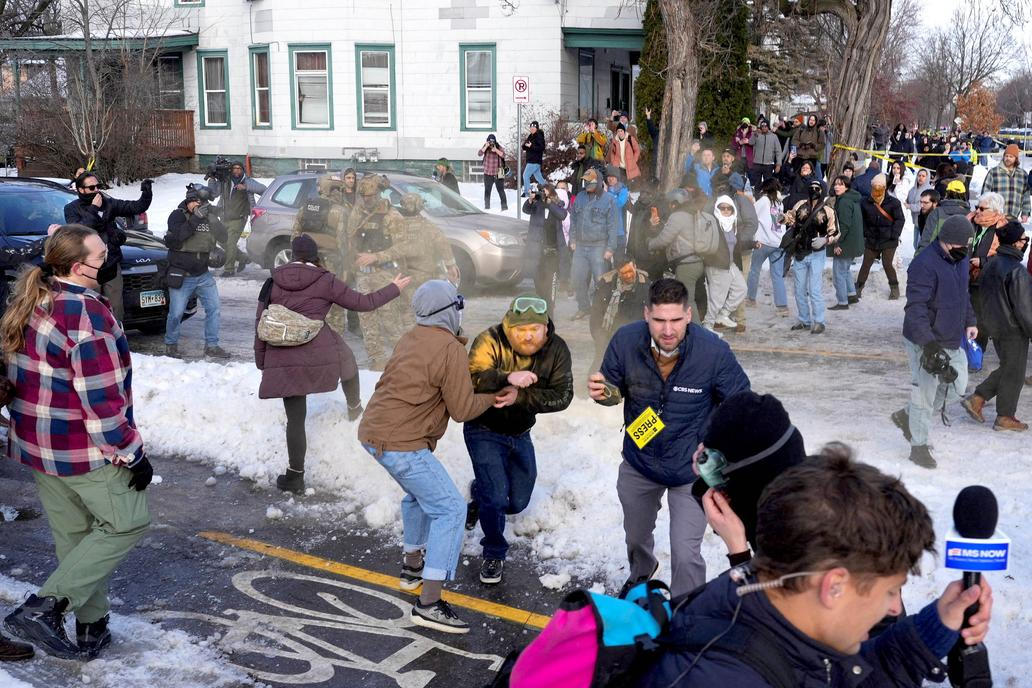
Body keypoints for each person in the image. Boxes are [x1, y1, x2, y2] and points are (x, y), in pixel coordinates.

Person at [643, 447, 994, 688]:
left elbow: (839, 678)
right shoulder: (726, 677)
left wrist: (936, 627)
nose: (892, 607)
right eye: (889, 590)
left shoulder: (760, 603)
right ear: (834, 586)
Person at [0, 225, 151, 659]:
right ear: (75, 265)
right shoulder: (86, 313)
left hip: (37, 444)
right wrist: (131, 453)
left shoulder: (36, 298)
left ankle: (91, 626)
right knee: (126, 522)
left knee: (76, 537)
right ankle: (43, 610)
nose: (107, 262)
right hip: (80, 449)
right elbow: (101, 398)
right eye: (101, 257)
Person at [358, 280, 515, 633]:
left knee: (419, 495)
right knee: (451, 509)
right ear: (450, 310)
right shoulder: (448, 347)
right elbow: (461, 409)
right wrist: (495, 397)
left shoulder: (411, 336)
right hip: (402, 443)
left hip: (373, 435)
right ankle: (429, 602)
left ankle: (412, 566)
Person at [588, 278, 750, 597]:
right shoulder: (625, 340)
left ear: (688, 315)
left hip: (688, 470)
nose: (667, 330)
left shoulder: (712, 351)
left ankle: (685, 610)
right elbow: (612, 388)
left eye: (676, 320)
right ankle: (642, 570)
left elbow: (741, 402)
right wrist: (603, 393)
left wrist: (715, 444)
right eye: (659, 320)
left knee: (686, 553)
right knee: (635, 537)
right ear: (647, 314)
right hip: (639, 461)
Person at [258, 234, 408, 494]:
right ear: (316, 255)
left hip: (280, 349)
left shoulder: (273, 280)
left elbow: (260, 320)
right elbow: (363, 303)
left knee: (296, 418)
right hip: (315, 345)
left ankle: (295, 476)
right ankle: (354, 408)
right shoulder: (324, 279)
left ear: (293, 255)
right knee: (346, 358)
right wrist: (393, 288)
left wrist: (263, 360)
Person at [464, 295, 573, 585]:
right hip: (483, 428)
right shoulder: (489, 339)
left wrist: (521, 396)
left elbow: (563, 395)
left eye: (534, 329)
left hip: (520, 432)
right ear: (508, 327)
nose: (527, 335)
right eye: (520, 329)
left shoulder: (557, 349)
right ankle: (494, 551)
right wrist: (507, 377)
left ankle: (480, 495)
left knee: (517, 502)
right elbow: (470, 377)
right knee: (497, 495)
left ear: (546, 329)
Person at [893, 215, 977, 468]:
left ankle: (907, 416)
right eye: (963, 245)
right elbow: (916, 308)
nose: (967, 250)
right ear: (949, 242)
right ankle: (918, 446)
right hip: (925, 339)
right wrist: (928, 345)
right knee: (924, 394)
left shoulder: (959, 260)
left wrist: (970, 321)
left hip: (952, 336)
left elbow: (964, 294)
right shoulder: (924, 264)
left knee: (957, 386)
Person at [690, 391, 807, 566]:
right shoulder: (817, 489)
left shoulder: (797, 546)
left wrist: (738, 552)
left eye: (718, 471)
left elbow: (768, 590)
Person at [963, 222, 1032, 432]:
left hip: (994, 325)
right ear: (1016, 243)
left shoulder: (992, 263)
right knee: (1015, 372)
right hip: (1013, 329)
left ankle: (978, 398)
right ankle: (1004, 416)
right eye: (1023, 239)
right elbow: (1024, 308)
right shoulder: (1016, 271)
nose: (1025, 243)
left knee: (1010, 367)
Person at [345, 174, 414, 370]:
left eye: (370, 196)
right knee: (366, 319)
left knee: (389, 318)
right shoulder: (357, 214)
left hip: (385, 273)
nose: (366, 200)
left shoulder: (393, 216)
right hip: (363, 273)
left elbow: (404, 247)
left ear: (378, 194)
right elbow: (350, 238)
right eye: (363, 196)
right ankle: (377, 358)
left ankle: (403, 358)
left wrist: (377, 257)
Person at [63, 172, 152, 320]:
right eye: (91, 187)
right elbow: (78, 231)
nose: (96, 190)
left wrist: (146, 193)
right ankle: (93, 339)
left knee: (115, 307)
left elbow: (136, 207)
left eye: (98, 186)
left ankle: (116, 337)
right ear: (81, 190)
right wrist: (93, 208)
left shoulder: (108, 203)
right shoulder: (71, 208)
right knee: (91, 306)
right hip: (87, 266)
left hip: (110, 263)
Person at [163, 187, 229, 359]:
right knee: (176, 313)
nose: (198, 205)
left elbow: (224, 238)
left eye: (201, 202)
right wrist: (195, 218)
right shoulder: (177, 215)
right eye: (194, 202)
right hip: (182, 274)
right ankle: (171, 344)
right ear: (188, 202)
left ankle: (212, 346)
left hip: (203, 274)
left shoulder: (208, 217)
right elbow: (178, 237)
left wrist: (214, 220)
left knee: (214, 309)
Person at [648, 189, 709, 322]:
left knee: (687, 301)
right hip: (697, 261)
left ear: (675, 203)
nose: (669, 206)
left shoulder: (678, 216)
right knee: (690, 299)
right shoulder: (693, 213)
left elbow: (664, 239)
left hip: (686, 264)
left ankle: (697, 334)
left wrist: (650, 244)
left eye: (670, 204)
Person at [569, 168, 620, 320]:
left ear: (598, 182)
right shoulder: (580, 196)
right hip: (580, 246)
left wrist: (611, 248)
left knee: (601, 280)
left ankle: (601, 309)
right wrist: (572, 239)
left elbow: (613, 225)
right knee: (578, 278)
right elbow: (573, 219)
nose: (587, 185)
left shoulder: (609, 199)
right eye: (585, 182)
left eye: (590, 182)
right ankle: (584, 307)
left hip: (599, 246)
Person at [785, 181, 836, 334]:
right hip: (800, 252)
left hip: (817, 254)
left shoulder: (828, 210)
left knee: (814, 289)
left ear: (822, 191)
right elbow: (791, 218)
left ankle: (819, 321)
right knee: (799, 289)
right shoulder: (800, 204)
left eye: (817, 188)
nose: (813, 190)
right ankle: (804, 320)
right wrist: (784, 218)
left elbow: (835, 231)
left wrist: (826, 240)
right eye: (811, 188)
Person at [589, 258, 650, 372]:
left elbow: (650, 315)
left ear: (635, 267)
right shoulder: (605, 284)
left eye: (630, 271)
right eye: (624, 273)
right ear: (617, 272)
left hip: (635, 334)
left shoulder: (645, 286)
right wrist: (598, 336)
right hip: (607, 332)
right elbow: (596, 314)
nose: (628, 275)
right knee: (600, 363)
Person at [206, 161, 266, 275]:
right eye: (234, 168)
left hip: (239, 218)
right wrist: (212, 180)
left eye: (239, 168)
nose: (237, 170)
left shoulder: (247, 181)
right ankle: (243, 258)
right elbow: (214, 194)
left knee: (230, 243)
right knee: (221, 241)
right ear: (231, 170)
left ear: (243, 170)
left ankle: (229, 270)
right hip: (224, 217)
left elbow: (263, 189)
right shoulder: (225, 182)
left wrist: (246, 187)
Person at [969, 192, 1009, 351]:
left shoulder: (1004, 229)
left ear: (994, 210)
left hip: (986, 279)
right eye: (976, 207)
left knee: (980, 317)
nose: (977, 211)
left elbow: (1007, 256)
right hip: (965, 276)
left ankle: (977, 350)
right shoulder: (971, 221)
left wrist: (983, 262)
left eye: (982, 208)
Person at [856, 174, 905, 300]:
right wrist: (865, 234)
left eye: (880, 186)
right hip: (872, 238)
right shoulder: (865, 202)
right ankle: (858, 288)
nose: (877, 189)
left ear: (884, 187)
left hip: (889, 239)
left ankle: (894, 288)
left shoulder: (893, 202)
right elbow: (862, 221)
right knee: (866, 264)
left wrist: (894, 234)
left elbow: (900, 219)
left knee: (887, 264)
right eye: (874, 186)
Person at [522, 184, 569, 311]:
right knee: (539, 283)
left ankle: (550, 310)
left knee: (550, 284)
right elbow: (526, 209)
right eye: (542, 192)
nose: (543, 194)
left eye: (546, 192)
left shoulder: (557, 204)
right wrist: (531, 200)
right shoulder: (536, 204)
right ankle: (541, 308)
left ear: (552, 193)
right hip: (538, 251)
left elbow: (562, 215)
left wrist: (550, 204)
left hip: (553, 252)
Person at [746, 179, 789, 316]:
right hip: (778, 242)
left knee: (754, 270)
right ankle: (782, 306)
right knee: (777, 275)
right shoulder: (780, 202)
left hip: (763, 242)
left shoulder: (764, 201)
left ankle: (751, 299)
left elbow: (751, 213)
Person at [398, 193, 459, 287]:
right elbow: (443, 245)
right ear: (419, 206)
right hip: (425, 278)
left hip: (401, 278)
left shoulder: (395, 226)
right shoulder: (428, 226)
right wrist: (451, 266)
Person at [828, 175, 863, 310]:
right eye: (835, 184)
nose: (837, 187)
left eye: (840, 184)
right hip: (853, 243)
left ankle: (842, 301)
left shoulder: (844, 202)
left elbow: (843, 226)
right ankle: (851, 295)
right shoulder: (852, 199)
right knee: (846, 270)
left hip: (846, 244)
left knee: (839, 273)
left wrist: (837, 243)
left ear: (847, 187)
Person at [730, 176, 758, 333]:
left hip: (741, 249)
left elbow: (752, 223)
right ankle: (727, 316)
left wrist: (740, 241)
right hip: (729, 248)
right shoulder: (732, 199)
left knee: (740, 282)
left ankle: (741, 320)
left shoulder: (743, 201)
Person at [982, 143, 1030, 222]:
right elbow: (985, 193)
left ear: (1016, 158)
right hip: (996, 216)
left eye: (1011, 157)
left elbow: (1026, 196)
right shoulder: (994, 172)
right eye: (1006, 156)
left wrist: (1025, 213)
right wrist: (985, 210)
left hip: (1013, 217)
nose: (1008, 158)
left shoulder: (1023, 174)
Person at [918, 180, 968, 252]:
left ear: (947, 193)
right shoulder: (970, 215)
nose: (922, 205)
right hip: (961, 260)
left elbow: (927, 240)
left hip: (937, 258)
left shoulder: (937, 212)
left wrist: (918, 259)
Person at [748, 120, 782, 190]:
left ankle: (768, 198)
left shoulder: (774, 136)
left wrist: (778, 164)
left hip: (768, 164)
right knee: (757, 184)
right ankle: (757, 198)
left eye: (765, 126)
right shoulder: (757, 134)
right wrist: (754, 134)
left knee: (768, 183)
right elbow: (750, 142)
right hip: (757, 163)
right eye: (762, 126)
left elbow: (778, 151)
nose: (764, 128)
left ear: (768, 127)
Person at [478, 134, 508, 211]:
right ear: (488, 141)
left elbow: (504, 155)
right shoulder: (485, 146)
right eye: (490, 141)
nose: (491, 143)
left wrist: (496, 150)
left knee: (501, 190)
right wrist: (486, 146)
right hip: (488, 172)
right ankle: (487, 206)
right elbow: (479, 154)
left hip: (499, 172)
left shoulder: (498, 146)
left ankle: (504, 207)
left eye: (492, 141)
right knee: (487, 191)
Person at [605, 165, 630, 252]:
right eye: (608, 177)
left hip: (619, 232)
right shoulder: (603, 189)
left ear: (617, 178)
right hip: (605, 232)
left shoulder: (623, 189)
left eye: (613, 177)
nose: (610, 179)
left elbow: (618, 204)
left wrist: (609, 192)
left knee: (619, 261)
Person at [906, 169, 933, 249]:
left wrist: (909, 206)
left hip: (925, 222)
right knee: (915, 244)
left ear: (927, 178)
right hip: (916, 222)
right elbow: (906, 199)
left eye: (923, 176)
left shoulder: (929, 190)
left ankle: (920, 261)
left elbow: (922, 205)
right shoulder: (913, 189)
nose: (920, 178)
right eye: (919, 175)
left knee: (920, 245)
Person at [521, 121, 547, 195]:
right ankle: (549, 188)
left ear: (537, 128)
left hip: (534, 160)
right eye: (531, 127)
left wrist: (531, 146)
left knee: (525, 175)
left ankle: (527, 193)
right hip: (532, 160)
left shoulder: (539, 136)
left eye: (534, 127)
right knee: (539, 178)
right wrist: (526, 145)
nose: (532, 128)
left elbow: (541, 148)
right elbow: (524, 147)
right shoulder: (531, 136)